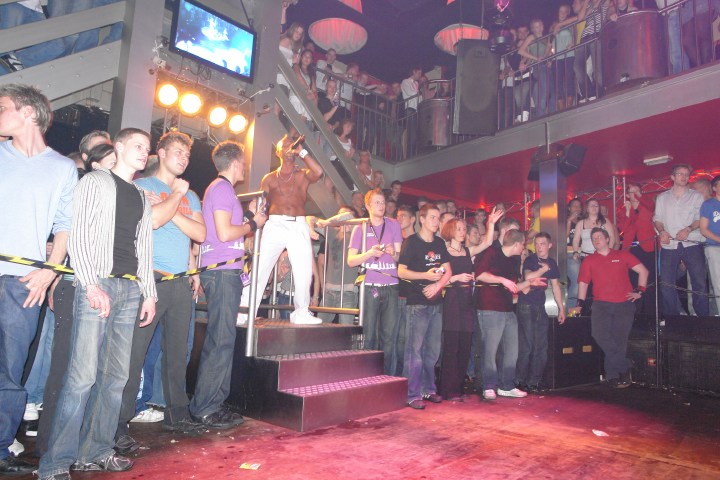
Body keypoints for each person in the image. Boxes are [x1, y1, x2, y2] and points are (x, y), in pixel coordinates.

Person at [39, 127, 157, 479]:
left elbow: (144, 248)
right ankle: (55, 463)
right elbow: (80, 235)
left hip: (129, 289)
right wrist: (90, 285)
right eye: (137, 145)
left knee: (116, 378)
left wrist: (149, 293)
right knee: (81, 377)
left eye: (147, 147)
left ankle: (96, 451)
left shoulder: (141, 195)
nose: (143, 151)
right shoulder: (94, 182)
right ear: (117, 147)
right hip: (98, 283)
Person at [0, 84, 77, 476]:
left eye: (3, 108)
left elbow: (65, 226)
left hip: (24, 282)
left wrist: (50, 271)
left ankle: (0, 447)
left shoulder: (63, 168)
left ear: (28, 113)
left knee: (10, 370)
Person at [114, 132, 207, 455]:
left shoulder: (190, 195)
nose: (183, 158)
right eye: (178, 152)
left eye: (187, 154)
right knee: (134, 354)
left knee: (178, 353)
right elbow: (152, 221)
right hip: (149, 279)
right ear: (162, 153)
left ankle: (177, 414)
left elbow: (200, 233)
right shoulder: (142, 186)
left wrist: (174, 206)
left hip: (180, 282)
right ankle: (118, 423)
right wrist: (173, 199)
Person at [192, 141, 266, 430]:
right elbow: (224, 233)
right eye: (243, 162)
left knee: (223, 339)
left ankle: (214, 403)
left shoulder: (222, 190)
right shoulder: (222, 189)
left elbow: (224, 231)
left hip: (224, 271)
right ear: (235, 163)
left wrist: (247, 218)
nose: (245, 167)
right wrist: (254, 224)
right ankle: (206, 408)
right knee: (220, 340)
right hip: (222, 273)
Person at [250, 135, 323, 324]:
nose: (290, 148)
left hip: (298, 224)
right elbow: (261, 203)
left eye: (293, 146)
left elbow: (318, 172)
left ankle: (301, 313)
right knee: (261, 267)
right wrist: (254, 218)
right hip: (275, 224)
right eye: (286, 146)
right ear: (278, 152)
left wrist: (302, 152)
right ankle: (246, 311)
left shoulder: (302, 174)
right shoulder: (269, 178)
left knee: (304, 270)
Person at [569, 228, 648, 388]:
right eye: (593, 238)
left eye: (599, 237)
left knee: (619, 340)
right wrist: (579, 305)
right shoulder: (589, 260)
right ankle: (625, 365)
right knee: (599, 335)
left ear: (607, 239)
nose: (596, 240)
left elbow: (643, 271)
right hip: (601, 305)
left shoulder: (622, 255)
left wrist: (640, 291)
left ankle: (613, 375)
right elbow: (583, 283)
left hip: (624, 304)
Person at [475, 228, 547, 401]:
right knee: (490, 350)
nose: (523, 249)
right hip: (490, 308)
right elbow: (479, 275)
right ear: (516, 244)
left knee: (512, 350)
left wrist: (530, 282)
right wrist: (501, 280)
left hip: (508, 309)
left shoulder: (514, 260)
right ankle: (489, 386)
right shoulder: (492, 252)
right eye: (523, 245)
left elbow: (514, 287)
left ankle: (506, 385)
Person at [398, 204, 452, 409]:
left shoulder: (439, 243)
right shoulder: (411, 242)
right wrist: (425, 276)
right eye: (432, 218)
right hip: (417, 303)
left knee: (432, 351)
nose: (436, 222)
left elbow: (448, 271)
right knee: (415, 351)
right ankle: (412, 394)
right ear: (421, 219)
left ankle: (428, 389)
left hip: (436, 303)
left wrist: (437, 285)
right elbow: (401, 271)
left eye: (438, 218)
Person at [348, 189, 404, 374]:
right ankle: (366, 374)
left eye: (383, 202)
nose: (381, 206)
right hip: (370, 286)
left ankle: (386, 375)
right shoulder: (361, 228)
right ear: (368, 206)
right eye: (377, 202)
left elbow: (398, 257)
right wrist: (369, 253)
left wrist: (392, 253)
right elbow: (351, 261)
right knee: (369, 334)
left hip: (391, 286)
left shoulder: (393, 224)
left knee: (389, 336)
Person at [654, 164, 708, 316]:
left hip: (692, 243)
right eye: (680, 174)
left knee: (699, 283)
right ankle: (673, 319)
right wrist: (662, 231)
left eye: (686, 174)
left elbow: (700, 219)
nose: (684, 177)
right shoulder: (662, 198)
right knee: (666, 284)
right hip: (670, 245)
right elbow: (657, 219)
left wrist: (688, 229)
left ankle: (703, 319)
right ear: (672, 177)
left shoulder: (696, 196)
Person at [516, 232, 566, 393]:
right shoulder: (531, 260)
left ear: (550, 245)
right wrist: (543, 269)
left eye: (542, 244)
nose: (539, 247)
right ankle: (519, 380)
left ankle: (534, 381)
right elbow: (528, 277)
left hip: (540, 306)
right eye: (537, 244)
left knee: (541, 347)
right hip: (526, 305)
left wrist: (561, 308)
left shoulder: (552, 262)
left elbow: (556, 286)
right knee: (527, 345)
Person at [616, 183, 657, 314]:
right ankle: (636, 312)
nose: (634, 194)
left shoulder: (647, 205)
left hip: (648, 247)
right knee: (632, 280)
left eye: (637, 191)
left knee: (650, 280)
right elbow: (623, 229)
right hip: (631, 249)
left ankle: (651, 313)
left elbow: (652, 206)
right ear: (627, 195)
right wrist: (628, 212)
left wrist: (639, 196)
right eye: (632, 192)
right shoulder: (623, 210)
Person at [317, 207, 358, 324]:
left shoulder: (356, 233)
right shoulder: (331, 232)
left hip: (348, 291)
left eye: (342, 215)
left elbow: (348, 216)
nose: (340, 217)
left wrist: (326, 221)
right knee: (320, 327)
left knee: (345, 329)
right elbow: (310, 219)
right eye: (339, 214)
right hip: (329, 290)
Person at [519, 19, 553, 118]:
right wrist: (536, 58)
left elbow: (548, 53)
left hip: (546, 65)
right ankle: (540, 115)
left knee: (549, 91)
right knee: (544, 90)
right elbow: (521, 51)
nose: (539, 28)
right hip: (537, 66)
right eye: (537, 27)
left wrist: (549, 59)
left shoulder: (546, 38)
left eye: (540, 26)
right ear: (533, 29)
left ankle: (548, 113)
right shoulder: (531, 37)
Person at [699, 175, 720, 315]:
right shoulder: (708, 205)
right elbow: (703, 229)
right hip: (714, 247)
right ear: (714, 188)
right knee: (718, 283)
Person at [401, 67, 422, 157]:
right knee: (412, 134)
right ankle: (409, 156)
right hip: (410, 109)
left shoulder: (416, 83)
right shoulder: (405, 82)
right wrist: (418, 92)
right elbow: (410, 93)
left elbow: (420, 98)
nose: (420, 75)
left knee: (416, 134)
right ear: (414, 72)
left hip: (417, 110)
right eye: (419, 73)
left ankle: (414, 154)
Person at [566, 198, 583, 307]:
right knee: (576, 282)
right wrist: (569, 221)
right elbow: (563, 237)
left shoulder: (583, 222)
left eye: (579, 206)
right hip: (570, 253)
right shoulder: (564, 221)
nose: (577, 208)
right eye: (574, 206)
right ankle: (570, 310)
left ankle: (580, 308)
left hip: (584, 254)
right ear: (569, 208)